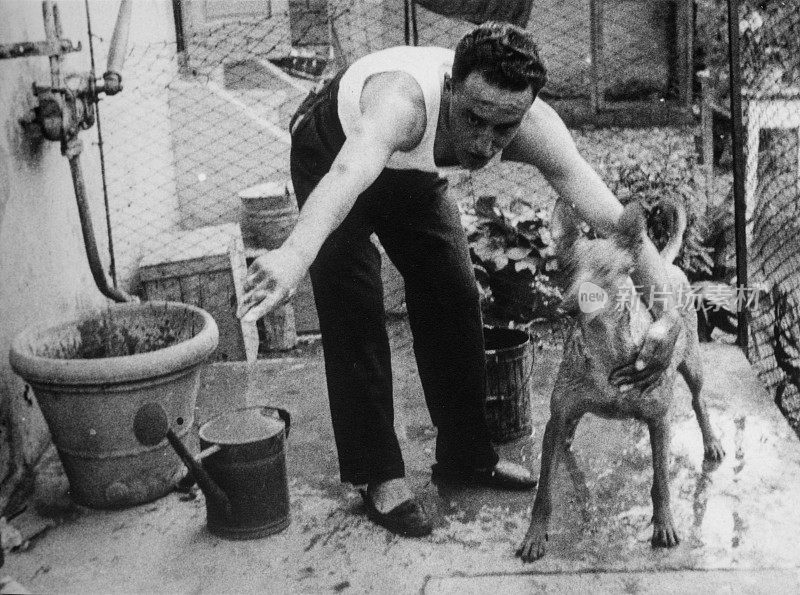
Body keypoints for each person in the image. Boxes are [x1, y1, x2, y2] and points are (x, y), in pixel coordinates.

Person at [238, 22, 681, 537]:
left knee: (453, 291)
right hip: (334, 149)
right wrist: (293, 255)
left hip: (408, 170)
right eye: (474, 119)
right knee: (353, 302)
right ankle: (378, 474)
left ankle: (466, 454)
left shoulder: (536, 128)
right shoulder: (402, 105)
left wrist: (667, 314)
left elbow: (613, 220)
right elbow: (346, 178)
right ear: (449, 88)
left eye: (504, 126)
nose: (485, 142)